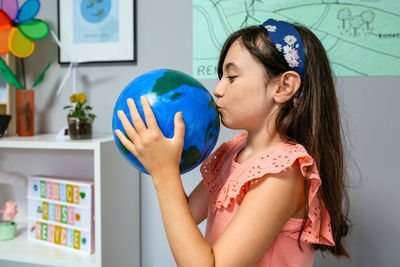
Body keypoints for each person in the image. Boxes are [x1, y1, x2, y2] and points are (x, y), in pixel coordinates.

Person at [115, 18, 351, 267]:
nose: (217, 89)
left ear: (283, 87)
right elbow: (185, 213)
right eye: (221, 77)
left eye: (232, 76)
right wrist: (161, 165)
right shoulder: (233, 151)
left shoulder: (283, 174)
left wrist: (165, 175)